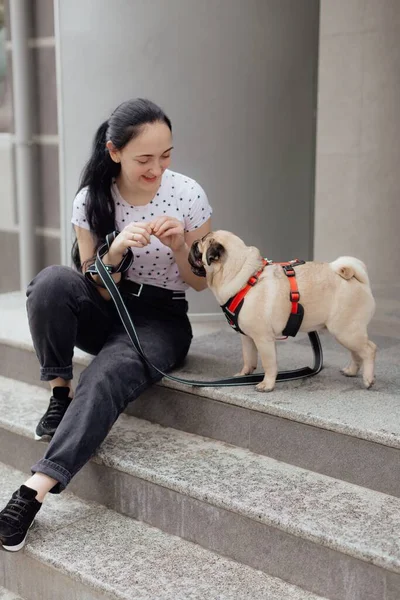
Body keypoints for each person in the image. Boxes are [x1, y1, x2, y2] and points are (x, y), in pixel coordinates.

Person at [0, 98, 212, 551]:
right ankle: (60, 392)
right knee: (52, 282)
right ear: (114, 152)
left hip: (163, 319)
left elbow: (199, 284)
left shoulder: (188, 195)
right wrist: (112, 255)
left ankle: (31, 493)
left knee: (107, 374)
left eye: (166, 155)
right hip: (108, 307)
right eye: (144, 159)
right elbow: (90, 287)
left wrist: (179, 249)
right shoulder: (92, 199)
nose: (157, 168)